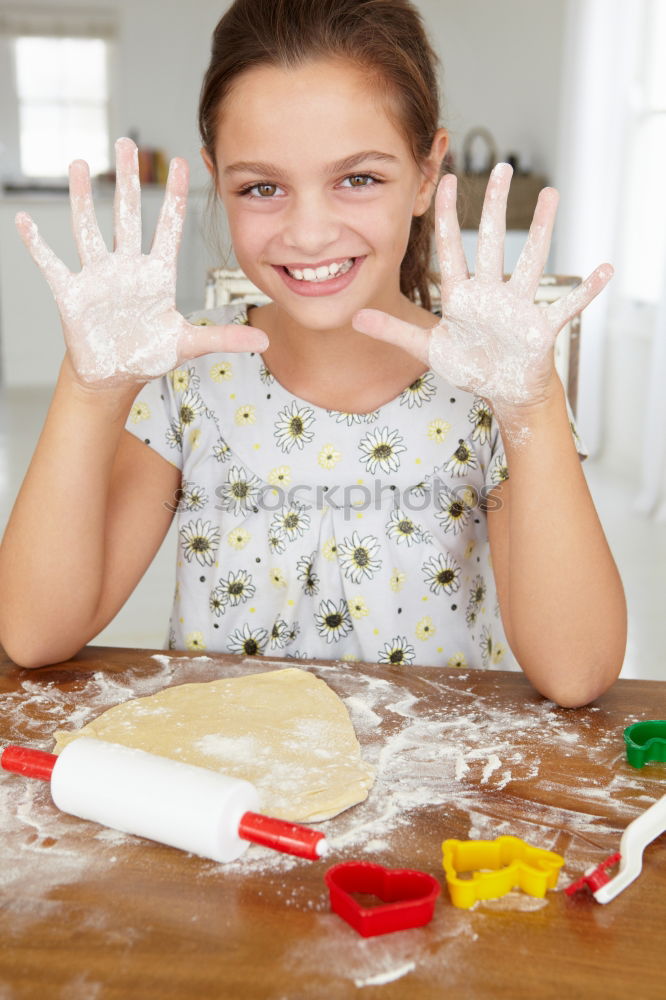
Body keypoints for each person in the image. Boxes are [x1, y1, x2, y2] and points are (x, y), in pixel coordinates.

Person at [0, 0, 626, 706]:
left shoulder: (492, 391)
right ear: (216, 177)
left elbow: (577, 672)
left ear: (426, 174)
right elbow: (32, 632)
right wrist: (90, 390)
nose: (309, 232)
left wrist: (531, 408)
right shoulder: (185, 382)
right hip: (224, 796)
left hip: (431, 798)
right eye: (262, 187)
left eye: (358, 178)